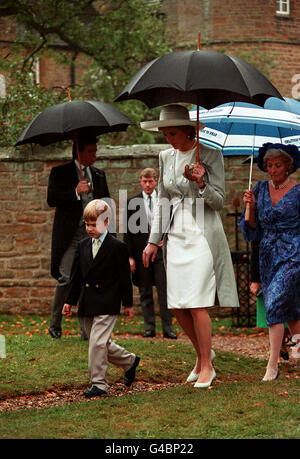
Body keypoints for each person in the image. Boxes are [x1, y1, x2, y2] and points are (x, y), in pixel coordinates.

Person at [141, 104, 239, 388]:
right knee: (177, 305)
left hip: (202, 236)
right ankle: (201, 354)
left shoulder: (210, 155)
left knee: (196, 303)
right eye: (164, 133)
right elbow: (161, 201)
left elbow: (219, 202)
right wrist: (152, 241)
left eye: (172, 133)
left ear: (188, 131)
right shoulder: (164, 156)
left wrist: (201, 182)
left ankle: (207, 365)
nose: (168, 138)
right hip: (176, 236)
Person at [62, 199, 140, 398]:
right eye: (87, 224)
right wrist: (69, 301)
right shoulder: (82, 246)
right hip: (88, 301)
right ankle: (129, 361)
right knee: (100, 343)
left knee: (97, 343)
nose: (89, 228)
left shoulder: (117, 247)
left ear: (106, 222)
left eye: (93, 224)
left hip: (108, 300)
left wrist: (128, 304)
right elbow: (76, 277)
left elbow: (124, 278)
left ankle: (99, 384)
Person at [240, 143, 300, 381]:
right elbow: (252, 230)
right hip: (268, 256)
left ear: (288, 167)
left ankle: (272, 365)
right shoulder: (260, 189)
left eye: (277, 165)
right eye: (269, 165)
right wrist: (251, 207)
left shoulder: (297, 192)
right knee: (292, 311)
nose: (273, 169)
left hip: (294, 253)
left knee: (274, 302)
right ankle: (292, 349)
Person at [47, 135, 111, 340]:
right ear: (79, 151)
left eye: (96, 150)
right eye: (91, 151)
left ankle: (87, 330)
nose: (95, 155)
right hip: (70, 235)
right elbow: (52, 199)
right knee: (66, 277)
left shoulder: (99, 175)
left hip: (93, 234)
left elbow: (107, 206)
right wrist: (75, 191)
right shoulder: (60, 172)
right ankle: (55, 324)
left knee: (90, 280)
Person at [124, 168, 177, 339]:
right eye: (144, 181)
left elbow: (172, 224)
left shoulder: (164, 201)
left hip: (161, 252)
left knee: (164, 291)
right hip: (141, 254)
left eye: (151, 181)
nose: (147, 184)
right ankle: (149, 328)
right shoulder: (132, 202)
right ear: (140, 181)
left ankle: (168, 328)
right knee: (145, 291)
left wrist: (165, 239)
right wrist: (130, 257)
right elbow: (127, 233)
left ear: (156, 181)